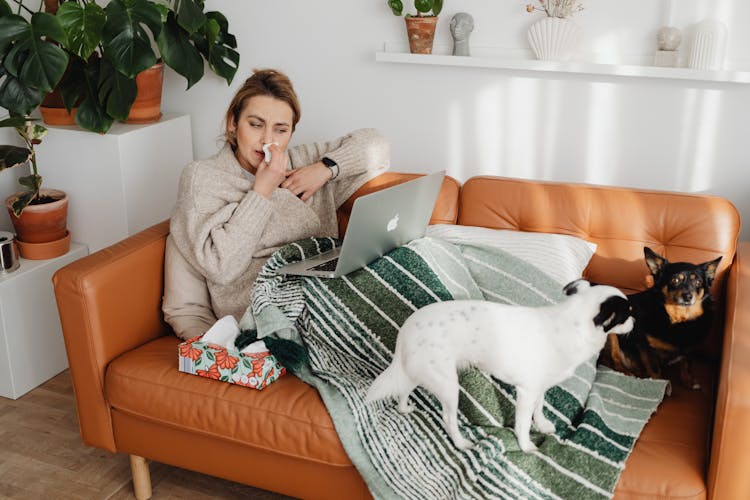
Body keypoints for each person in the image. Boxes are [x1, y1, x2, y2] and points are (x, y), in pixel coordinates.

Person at [163, 68, 390, 340]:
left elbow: (378, 145)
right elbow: (221, 268)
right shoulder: (203, 178)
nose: (267, 140)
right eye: (255, 125)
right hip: (263, 318)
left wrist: (325, 168)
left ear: (291, 133)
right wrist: (262, 191)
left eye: (280, 130)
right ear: (233, 123)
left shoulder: (300, 163)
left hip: (325, 297)